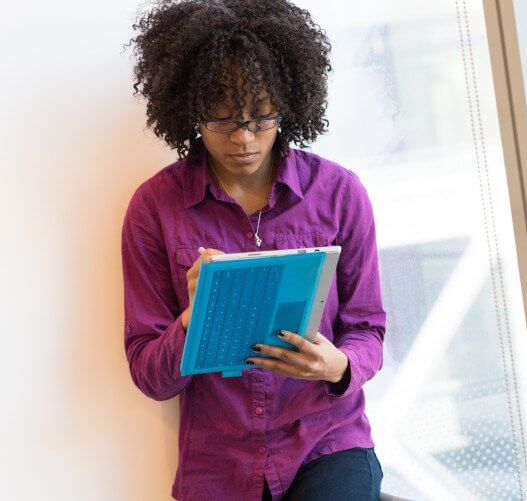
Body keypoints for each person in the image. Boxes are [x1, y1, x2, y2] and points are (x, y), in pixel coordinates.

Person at [120, 1, 385, 499]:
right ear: (189, 111)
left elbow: (368, 327)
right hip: (218, 465)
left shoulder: (340, 193)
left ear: (289, 104)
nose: (243, 138)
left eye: (261, 117)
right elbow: (148, 374)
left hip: (326, 442)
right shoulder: (154, 208)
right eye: (220, 120)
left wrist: (338, 367)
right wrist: (189, 319)